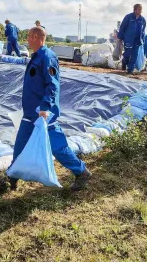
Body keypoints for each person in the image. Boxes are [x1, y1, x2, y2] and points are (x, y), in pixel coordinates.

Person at [8, 26, 91, 191]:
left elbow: (53, 85)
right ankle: (12, 175)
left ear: (37, 37)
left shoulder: (47, 57)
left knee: (58, 147)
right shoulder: (36, 56)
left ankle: (81, 171)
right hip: (30, 113)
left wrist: (45, 107)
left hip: (44, 113)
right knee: (20, 145)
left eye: (29, 37)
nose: (27, 40)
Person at [117, 4, 147, 73]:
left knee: (135, 55)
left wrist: (143, 39)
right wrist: (120, 37)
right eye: (139, 9)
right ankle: (124, 62)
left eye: (141, 9)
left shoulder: (142, 20)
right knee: (127, 53)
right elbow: (122, 27)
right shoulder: (128, 17)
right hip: (128, 39)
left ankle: (130, 70)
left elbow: (143, 31)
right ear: (135, 9)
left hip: (137, 41)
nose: (140, 11)